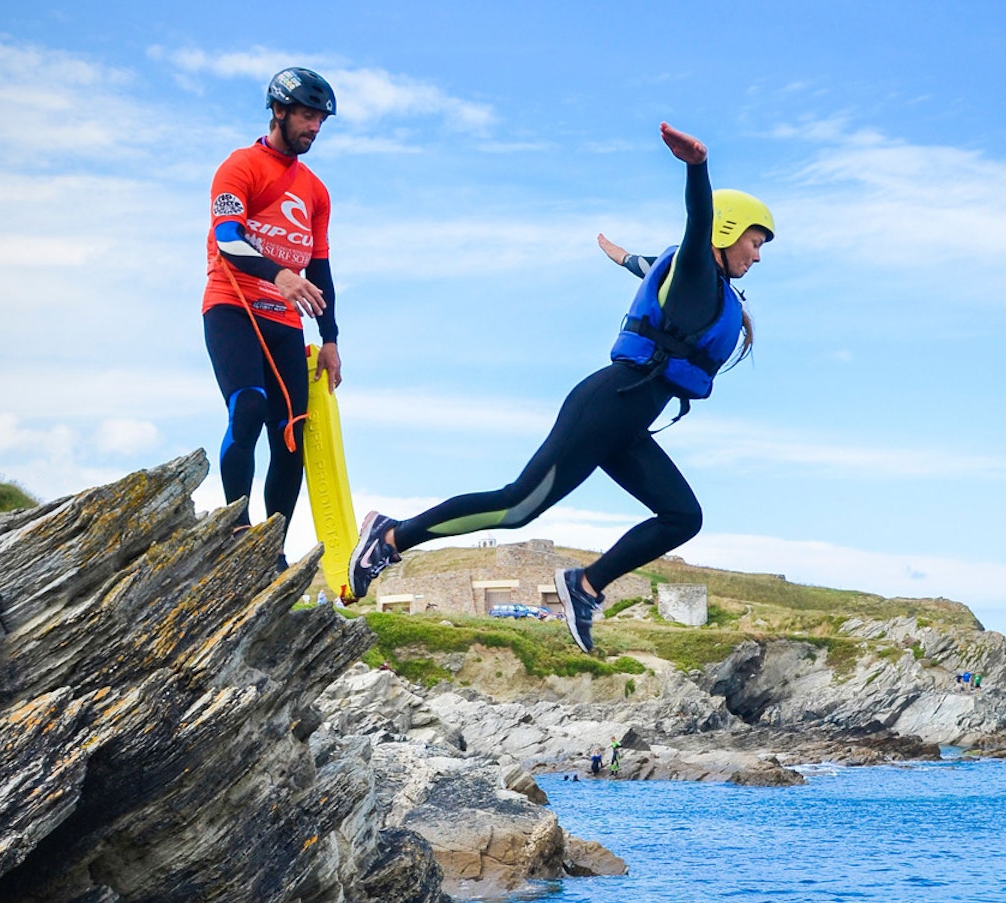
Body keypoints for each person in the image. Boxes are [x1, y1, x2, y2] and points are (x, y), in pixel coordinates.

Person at [349, 122, 773, 654]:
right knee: (517, 507)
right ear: (727, 231)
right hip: (607, 402)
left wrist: (622, 258)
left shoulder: (709, 289)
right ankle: (391, 537)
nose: (757, 256)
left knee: (683, 516)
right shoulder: (697, 272)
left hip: (629, 420)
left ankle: (585, 586)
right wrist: (697, 167)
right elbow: (693, 229)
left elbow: (646, 266)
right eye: (754, 242)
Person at [203, 67, 343, 569]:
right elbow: (227, 238)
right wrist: (280, 274)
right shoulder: (239, 166)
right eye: (307, 116)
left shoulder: (316, 191)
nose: (314, 128)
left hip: (285, 321)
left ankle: (272, 551)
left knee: (291, 433)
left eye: (321, 120)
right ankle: (236, 532)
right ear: (279, 111)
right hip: (232, 305)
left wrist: (329, 338)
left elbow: (321, 268)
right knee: (249, 408)